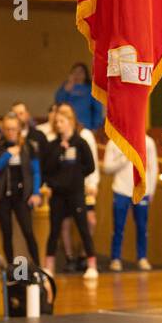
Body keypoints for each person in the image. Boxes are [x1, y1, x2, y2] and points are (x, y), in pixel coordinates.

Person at [42, 106, 98, 282]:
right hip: (58, 195)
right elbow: (46, 168)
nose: (59, 125)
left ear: (71, 122)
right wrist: (60, 150)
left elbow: (90, 166)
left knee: (83, 228)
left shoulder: (81, 143)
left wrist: (76, 175)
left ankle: (91, 265)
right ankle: (48, 266)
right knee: (54, 229)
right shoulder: (52, 145)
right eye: (56, 122)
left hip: (76, 193)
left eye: (62, 122)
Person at [0, 112, 42, 269]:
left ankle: (38, 267)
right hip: (3, 196)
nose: (10, 132)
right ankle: (13, 270)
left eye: (13, 129)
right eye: (7, 129)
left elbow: (36, 172)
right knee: (7, 233)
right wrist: (7, 155)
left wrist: (36, 193)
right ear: (3, 130)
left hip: (22, 196)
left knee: (28, 231)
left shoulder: (29, 147)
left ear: (19, 129)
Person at [103, 133, 158, 272]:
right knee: (118, 228)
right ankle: (115, 259)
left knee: (142, 227)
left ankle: (142, 258)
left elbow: (153, 167)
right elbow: (106, 168)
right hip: (121, 190)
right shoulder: (114, 142)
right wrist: (123, 158)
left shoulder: (148, 142)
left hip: (142, 190)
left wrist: (151, 190)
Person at [54, 63, 103, 131]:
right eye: (75, 71)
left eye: (80, 71)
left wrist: (95, 128)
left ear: (86, 74)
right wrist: (67, 88)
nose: (78, 74)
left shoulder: (91, 89)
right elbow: (58, 102)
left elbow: (97, 110)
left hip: (85, 127)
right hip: (66, 126)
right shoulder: (66, 86)